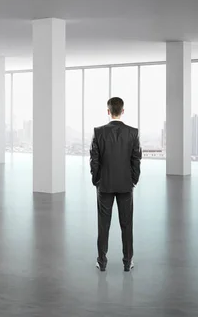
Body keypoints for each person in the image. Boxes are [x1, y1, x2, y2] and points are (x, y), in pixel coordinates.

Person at [90, 97, 141, 272]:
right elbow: (136, 160)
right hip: (126, 185)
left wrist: (96, 180)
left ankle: (102, 262)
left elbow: (94, 161)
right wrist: (133, 179)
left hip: (104, 185)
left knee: (103, 225)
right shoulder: (133, 133)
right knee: (127, 225)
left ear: (108, 111)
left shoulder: (98, 132)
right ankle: (128, 262)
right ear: (123, 111)